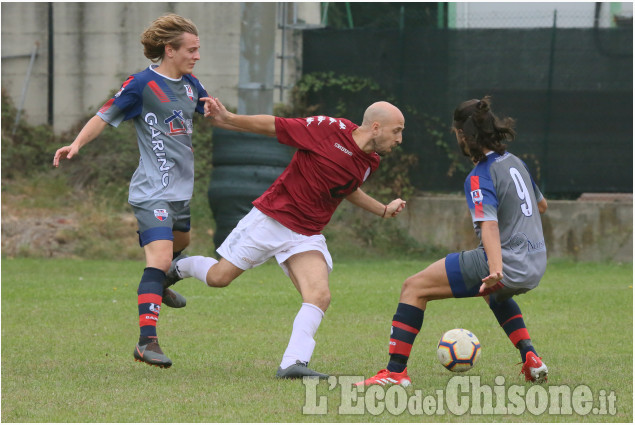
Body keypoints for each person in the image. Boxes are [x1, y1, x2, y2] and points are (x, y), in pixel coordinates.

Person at [164, 97, 407, 378]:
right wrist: (229, 119)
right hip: (272, 219)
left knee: (319, 295)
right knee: (219, 278)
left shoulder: (370, 161)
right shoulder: (327, 129)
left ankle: (293, 363)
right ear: (376, 127)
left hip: (306, 235)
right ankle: (176, 268)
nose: (400, 139)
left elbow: (346, 188)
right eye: (397, 131)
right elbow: (274, 126)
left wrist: (382, 210)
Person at [52, 14, 225, 368]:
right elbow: (104, 114)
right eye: (191, 50)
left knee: (182, 244)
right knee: (160, 259)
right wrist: (76, 144)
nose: (196, 55)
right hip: (151, 190)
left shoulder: (193, 85)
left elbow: (212, 113)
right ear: (170, 50)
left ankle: (158, 283)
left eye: (197, 50)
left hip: (180, 191)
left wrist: (223, 113)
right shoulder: (141, 84)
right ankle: (147, 341)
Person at [357, 96, 548, 387]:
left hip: (506, 264)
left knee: (413, 287)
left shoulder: (480, 174)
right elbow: (541, 206)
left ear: (463, 135)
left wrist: (496, 269)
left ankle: (395, 373)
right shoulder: (515, 162)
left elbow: (490, 226)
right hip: (536, 262)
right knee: (492, 292)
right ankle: (531, 356)